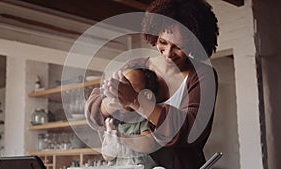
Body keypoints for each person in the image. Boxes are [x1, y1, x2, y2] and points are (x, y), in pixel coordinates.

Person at [85, 0, 219, 168]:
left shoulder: (202, 75)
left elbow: (192, 130)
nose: (169, 53)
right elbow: (94, 114)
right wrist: (113, 103)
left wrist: (135, 101)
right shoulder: (137, 65)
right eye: (163, 42)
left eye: (179, 47)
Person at [101, 68, 159, 169]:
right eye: (120, 87)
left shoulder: (145, 118)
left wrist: (122, 138)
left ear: (147, 95)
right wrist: (111, 142)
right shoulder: (114, 122)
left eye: (129, 87)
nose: (121, 92)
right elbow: (107, 157)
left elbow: (148, 143)